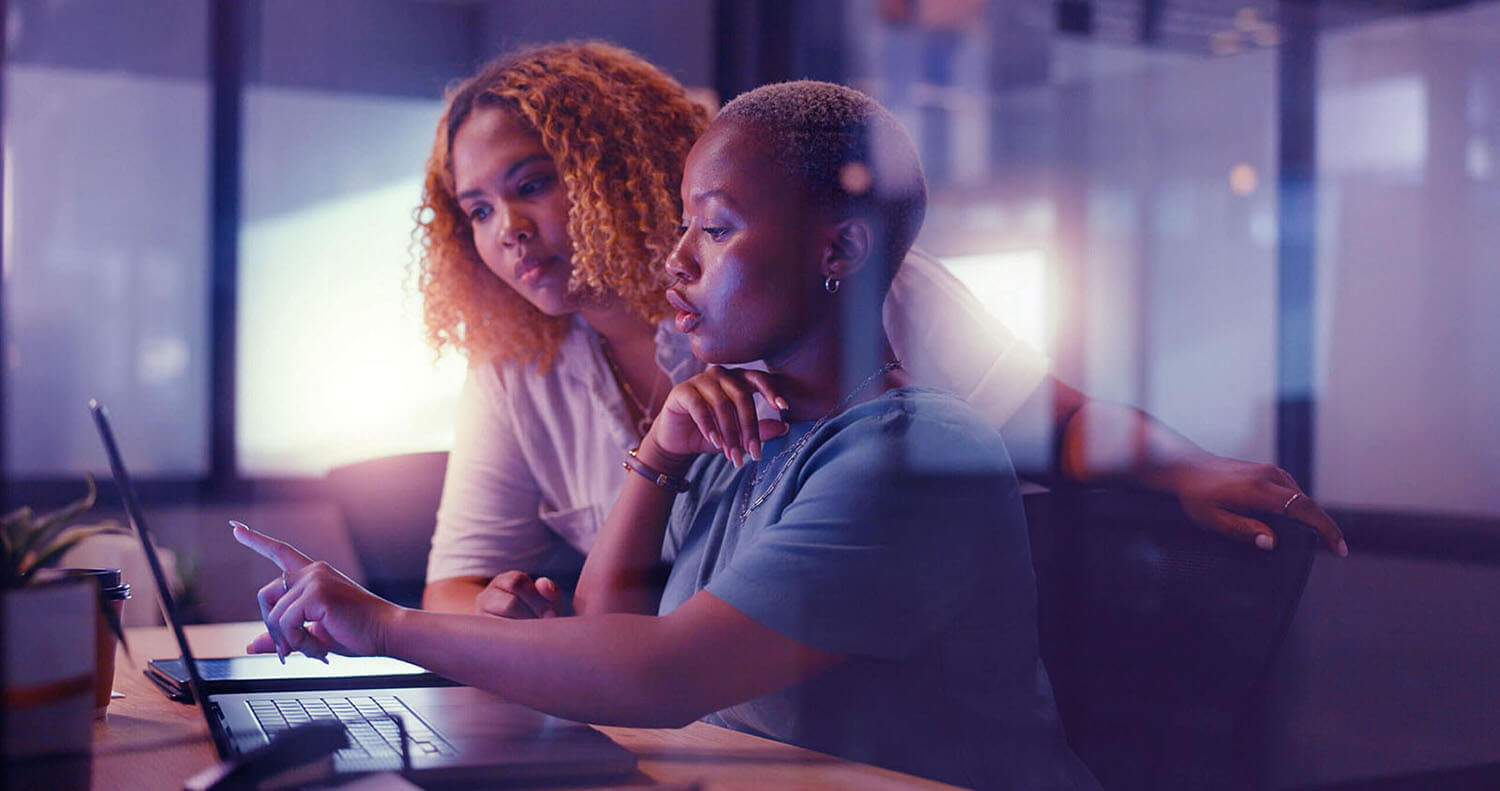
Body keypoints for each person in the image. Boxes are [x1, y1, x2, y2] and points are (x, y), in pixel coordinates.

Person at [235, 80, 1098, 788]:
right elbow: (612, 622)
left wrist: (386, 628)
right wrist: (659, 452)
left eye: (715, 229)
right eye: (685, 224)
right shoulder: (744, 429)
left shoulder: (913, 456)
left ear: (841, 252)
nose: (677, 260)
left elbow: (661, 675)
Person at [416, 41, 1345, 620]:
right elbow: (455, 587)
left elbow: (1052, 420)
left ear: (616, 165)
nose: (509, 233)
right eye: (479, 210)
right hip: (685, 705)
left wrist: (1182, 465)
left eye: (532, 184)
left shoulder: (847, 292)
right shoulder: (517, 365)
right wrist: (498, 611)